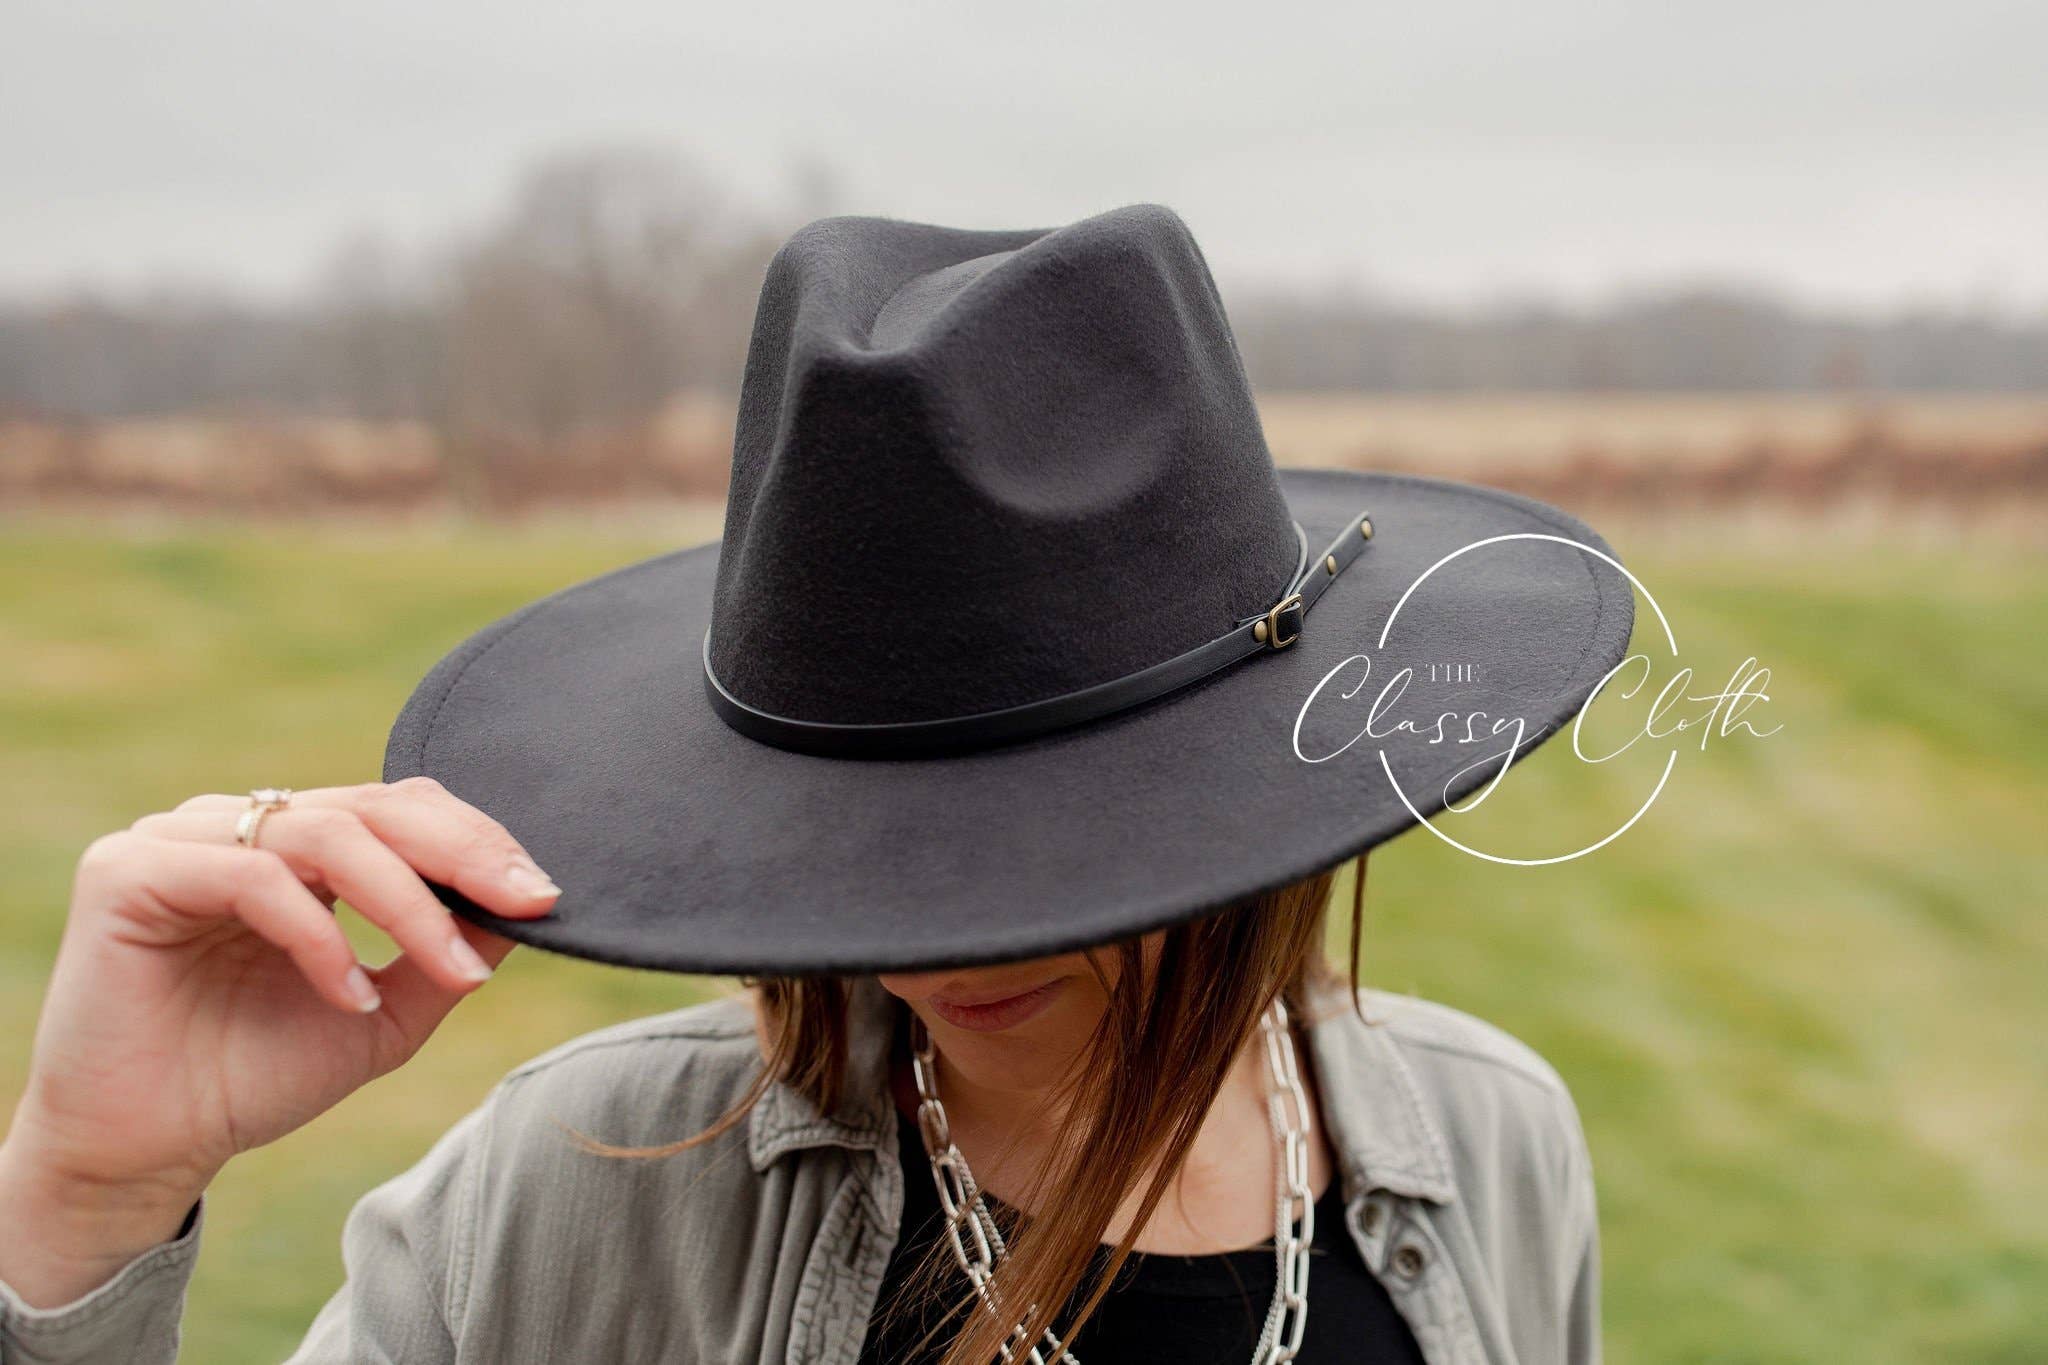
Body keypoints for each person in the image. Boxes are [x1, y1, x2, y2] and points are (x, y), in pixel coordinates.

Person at [0, 204, 1633, 1364]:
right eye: (873, 845)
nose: (940, 947)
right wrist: (86, 1198)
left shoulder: (1491, 1145)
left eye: (1041, 832)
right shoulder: (571, 1201)